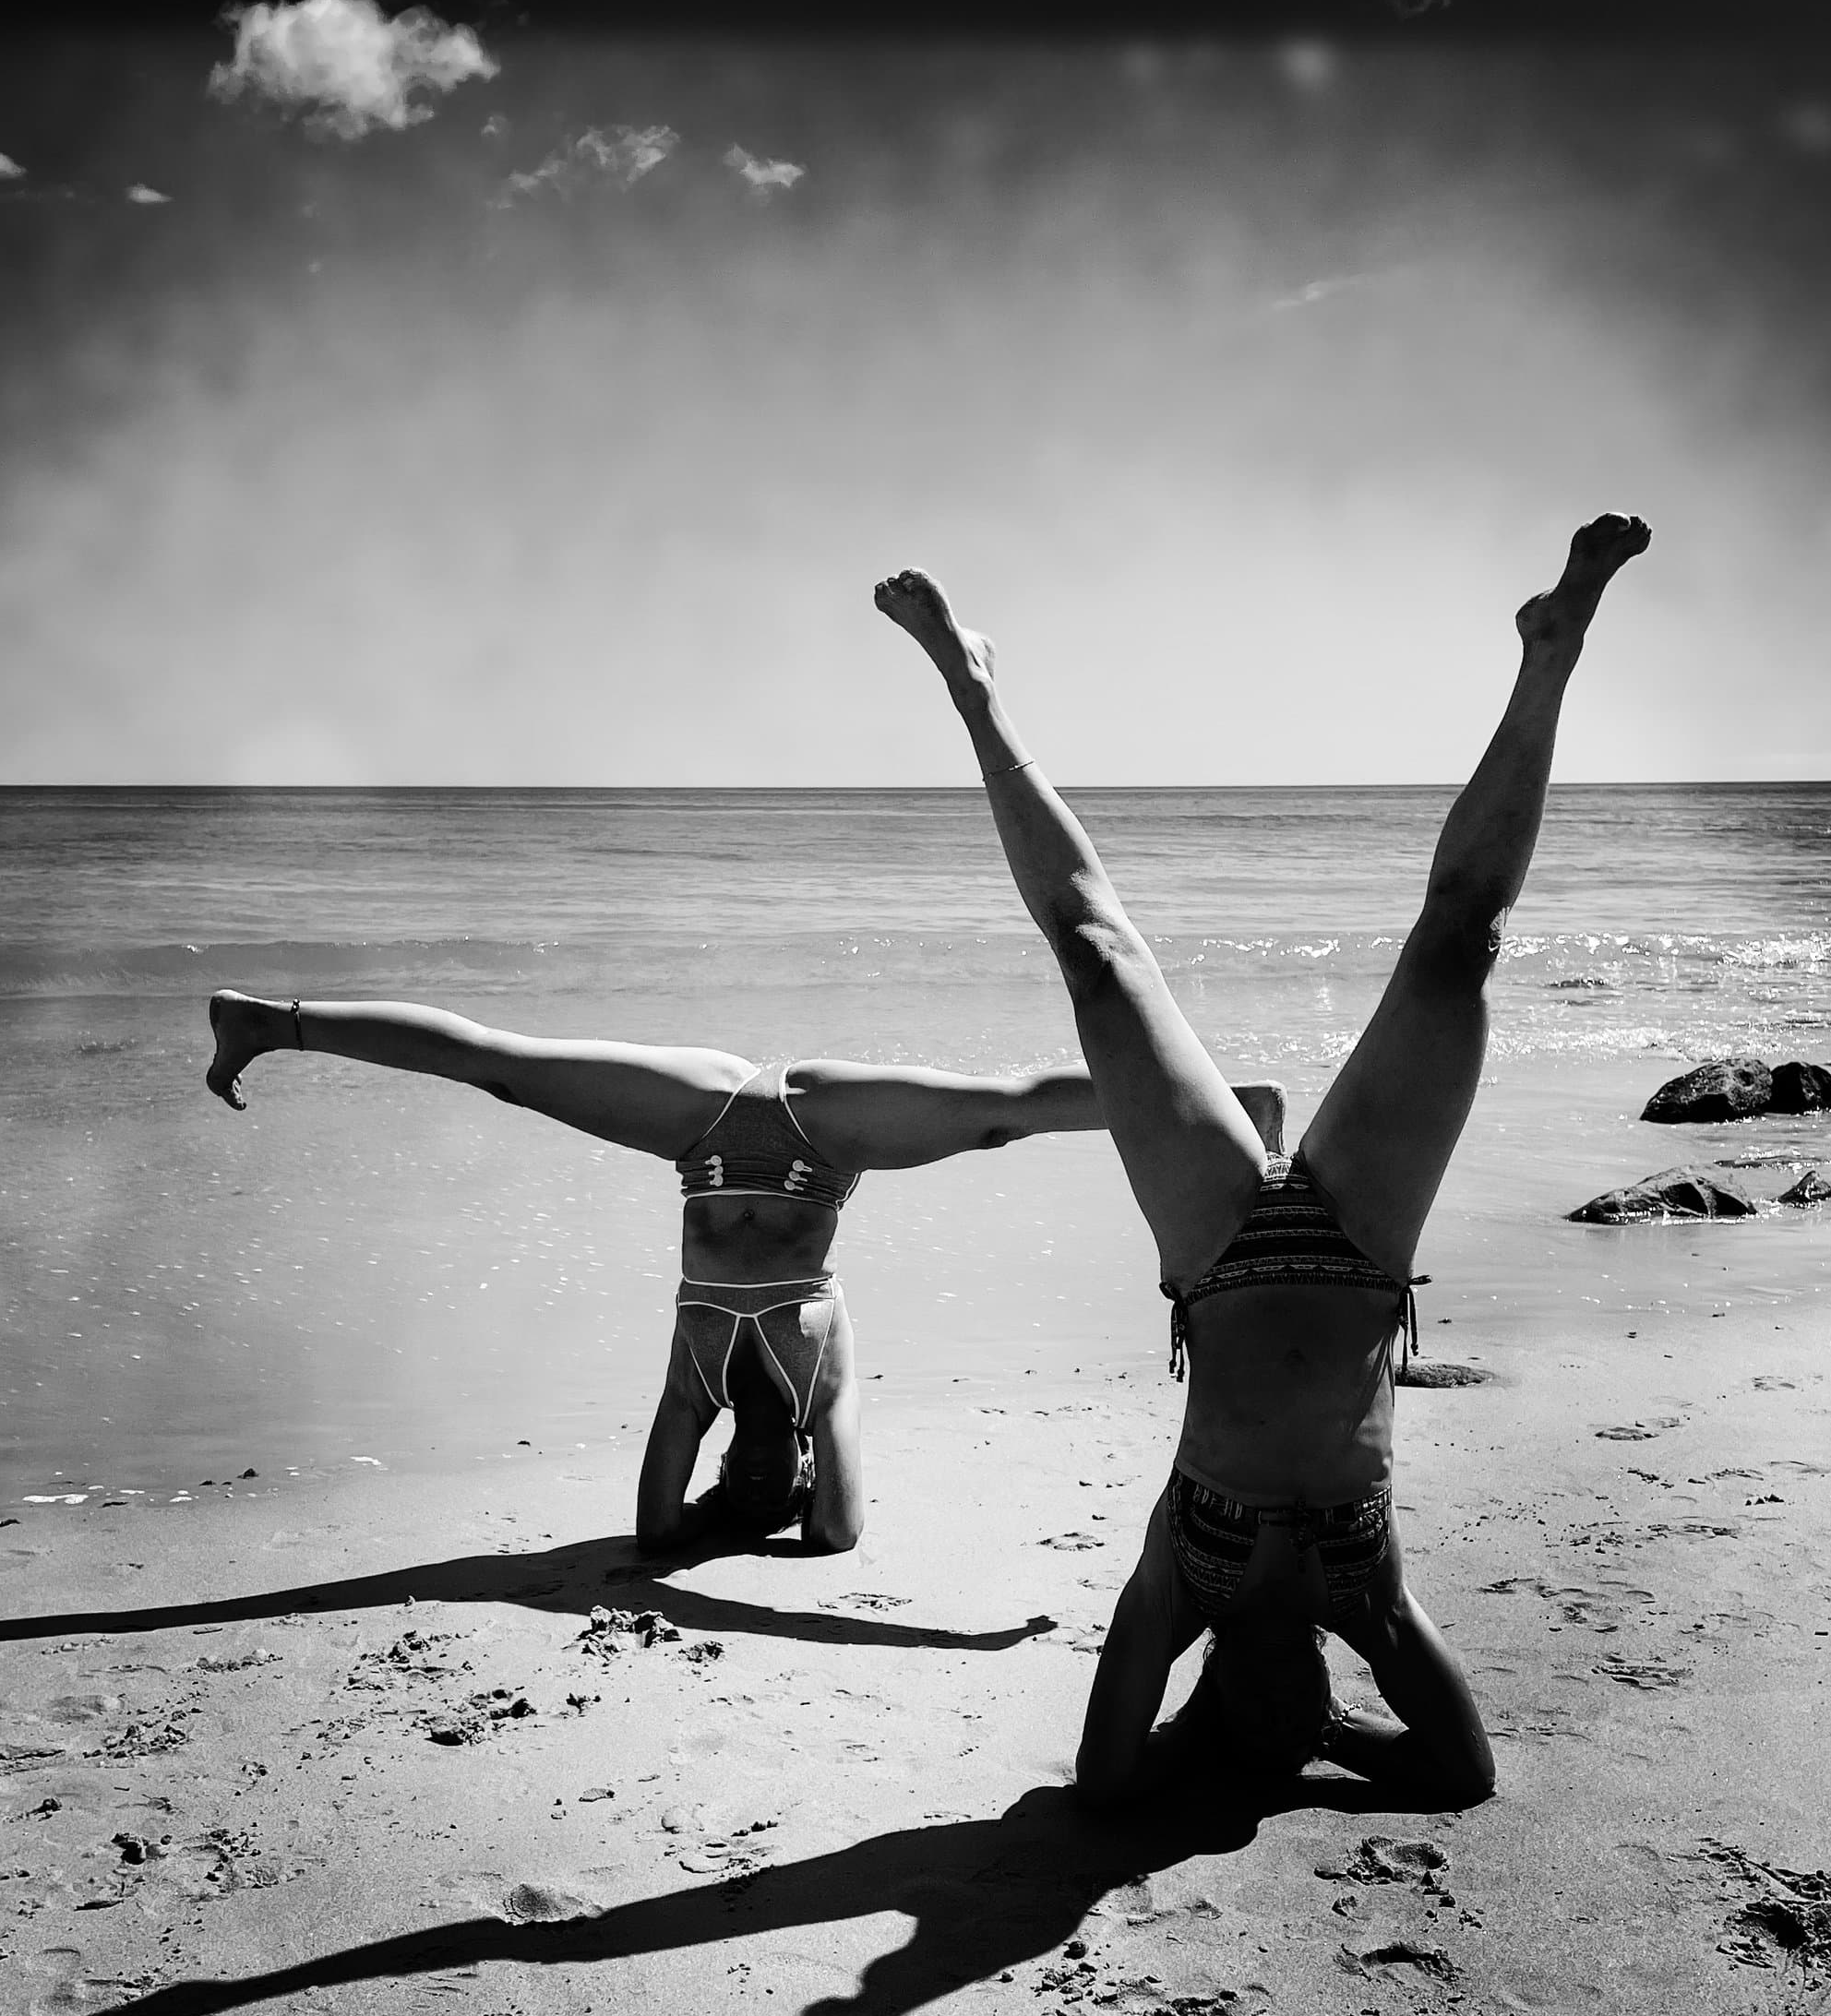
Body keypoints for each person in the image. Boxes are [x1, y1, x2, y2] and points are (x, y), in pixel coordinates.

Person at [874, 513, 1651, 1805]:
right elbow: (1463, 1775)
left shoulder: (1182, 1589)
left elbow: (1110, 1783)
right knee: (1461, 944)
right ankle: (1551, 654)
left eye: (1263, 1726)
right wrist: (1339, 1746)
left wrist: (1223, 1754)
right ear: (1339, 1700)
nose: (1294, 1712)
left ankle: (975, 693)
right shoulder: (1374, 1609)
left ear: (1212, 1696)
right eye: (1318, 1719)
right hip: (1362, 1244)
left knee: (1096, 954)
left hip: (1216, 1253)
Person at [204, 996, 1283, 1555]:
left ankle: (278, 1022)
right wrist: (803, 1481)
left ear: (730, 1465)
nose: (766, 1482)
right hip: (826, 1131)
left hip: (701, 1125)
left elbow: (654, 1534)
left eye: (748, 1483)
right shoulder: (825, 1393)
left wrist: (718, 1516)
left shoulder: (695, 1392)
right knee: (1004, 1110)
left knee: (503, 1073)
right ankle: (1230, 1105)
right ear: (802, 1466)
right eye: (783, 1483)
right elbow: (837, 1536)